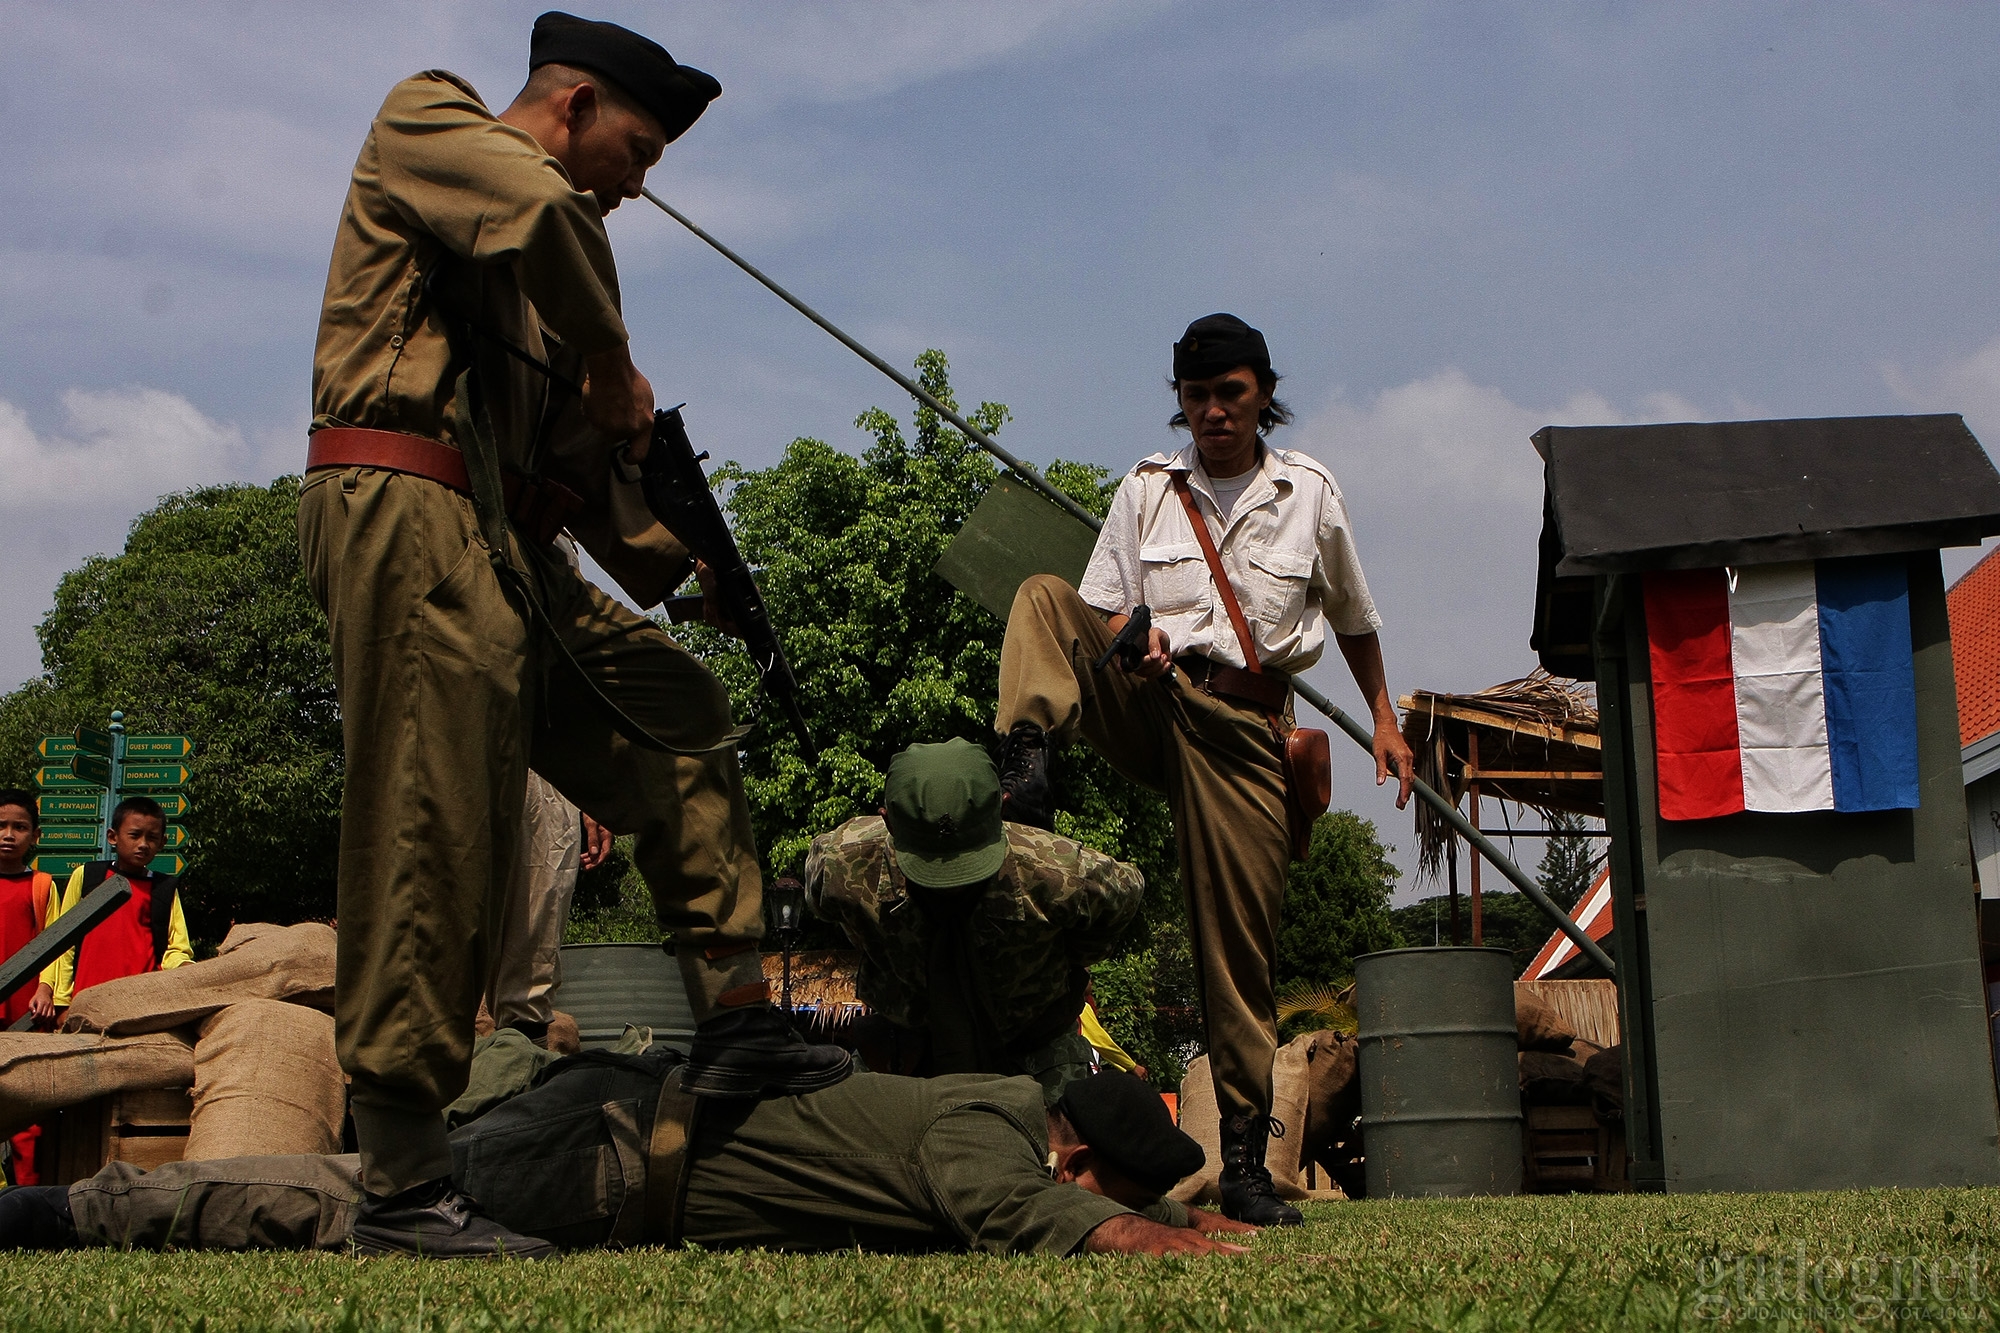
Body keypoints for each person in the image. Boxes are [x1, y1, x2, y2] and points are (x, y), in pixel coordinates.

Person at [301, 11, 846, 1256]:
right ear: (574, 105)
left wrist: (681, 567)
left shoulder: (558, 279)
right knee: (433, 820)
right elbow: (547, 223)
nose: (639, 185)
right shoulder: (427, 119)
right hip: (404, 502)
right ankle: (399, 1181)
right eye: (639, 151)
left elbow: (574, 470)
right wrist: (612, 359)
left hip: (502, 541)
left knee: (679, 711)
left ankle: (737, 1019)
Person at [992, 313, 1414, 1227]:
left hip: (1242, 731)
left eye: (1231, 392)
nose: (1214, 412)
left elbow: (1353, 615)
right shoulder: (1147, 488)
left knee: (1238, 949)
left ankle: (1249, 1162)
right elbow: (1100, 612)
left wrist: (1383, 716)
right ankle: (1025, 764)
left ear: (1263, 392)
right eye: (1197, 396)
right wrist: (1132, 646)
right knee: (1039, 596)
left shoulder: (1307, 493)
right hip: (1151, 698)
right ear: (1178, 402)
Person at [0, 1065, 1258, 1258]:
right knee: (338, 1207)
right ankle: (54, 1214)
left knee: (348, 1181)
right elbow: (1030, 1216)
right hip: (596, 1161)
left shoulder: (991, 1099)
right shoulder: (981, 1132)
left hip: (604, 1137)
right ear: (1073, 1148)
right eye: (1097, 1180)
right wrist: (1165, 1240)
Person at [806, 739, 1142, 1101]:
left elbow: (1127, 893)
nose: (950, 886)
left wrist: (1070, 958)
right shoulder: (842, 865)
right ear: (885, 820)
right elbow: (825, 908)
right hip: (901, 1052)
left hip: (1033, 1050)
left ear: (1003, 808)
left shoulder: (1059, 871)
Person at [483, 770, 610, 1047]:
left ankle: (520, 1072)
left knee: (531, 970)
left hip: (542, 771)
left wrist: (592, 798)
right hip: (444, 757)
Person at [45, 796, 192, 1013]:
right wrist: (62, 1001)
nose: (143, 844)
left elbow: (177, 948)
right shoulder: (87, 876)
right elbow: (64, 941)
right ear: (113, 837)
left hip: (139, 1006)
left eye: (152, 837)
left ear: (162, 842)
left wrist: (187, 969)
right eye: (134, 835)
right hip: (84, 1001)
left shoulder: (164, 888)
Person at [0, 788, 56, 1184]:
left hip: (26, 1008)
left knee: (26, 1108)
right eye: (1, 825)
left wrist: (47, 989)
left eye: (19, 827)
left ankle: (26, 1197)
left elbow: (54, 942)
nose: (8, 834)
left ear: (35, 836)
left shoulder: (42, 885)